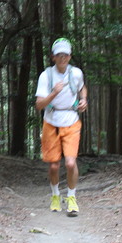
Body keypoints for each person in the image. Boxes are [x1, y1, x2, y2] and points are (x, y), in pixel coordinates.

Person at [35, 38, 87, 216]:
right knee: (54, 166)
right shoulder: (46, 76)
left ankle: (72, 198)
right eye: (59, 55)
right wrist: (54, 93)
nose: (62, 58)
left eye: (65, 55)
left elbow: (82, 88)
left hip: (72, 120)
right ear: (53, 57)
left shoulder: (76, 73)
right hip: (51, 121)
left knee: (71, 163)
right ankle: (55, 195)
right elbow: (39, 105)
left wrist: (83, 100)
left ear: (70, 56)